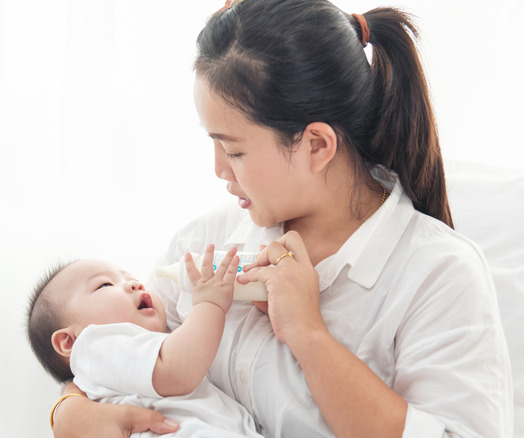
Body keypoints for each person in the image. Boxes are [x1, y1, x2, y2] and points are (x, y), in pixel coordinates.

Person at [50, 0, 514, 437]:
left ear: (316, 145)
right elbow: (122, 355)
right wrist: (69, 411)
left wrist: (309, 334)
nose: (218, 169)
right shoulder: (206, 239)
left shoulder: (440, 275)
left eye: (234, 150)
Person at [26, 246, 265, 437]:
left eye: (130, 278)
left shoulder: (139, 350)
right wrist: (209, 304)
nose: (134, 284)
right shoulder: (93, 345)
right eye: (105, 284)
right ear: (69, 342)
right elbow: (176, 370)